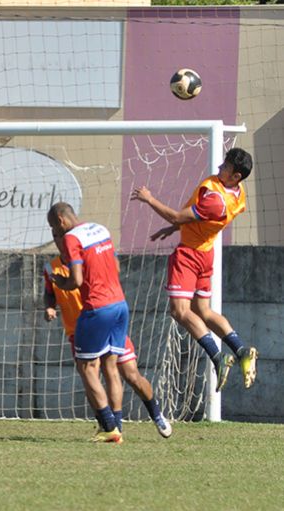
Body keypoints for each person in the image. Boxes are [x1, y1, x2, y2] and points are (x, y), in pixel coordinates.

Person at [130, 148, 257, 391]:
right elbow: (195, 222)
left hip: (189, 256)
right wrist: (176, 229)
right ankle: (241, 352)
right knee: (203, 311)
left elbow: (178, 216)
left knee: (179, 311)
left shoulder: (215, 201)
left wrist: (149, 199)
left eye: (226, 167)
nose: (220, 167)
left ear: (236, 176)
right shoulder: (237, 194)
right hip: (205, 252)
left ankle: (218, 358)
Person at [43, 232, 172, 438]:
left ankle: (156, 413)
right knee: (91, 376)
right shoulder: (51, 267)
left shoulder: (89, 260)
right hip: (78, 331)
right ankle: (111, 425)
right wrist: (49, 307)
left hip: (104, 319)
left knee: (130, 374)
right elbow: (49, 293)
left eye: (62, 236)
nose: (60, 241)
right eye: (56, 236)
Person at [46, 202, 127, 444]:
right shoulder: (100, 229)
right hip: (120, 304)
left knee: (87, 368)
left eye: (53, 227)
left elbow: (77, 280)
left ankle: (109, 426)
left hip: (97, 308)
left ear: (61, 220)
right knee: (111, 368)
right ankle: (117, 426)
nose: (56, 233)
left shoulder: (71, 238)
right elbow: (116, 266)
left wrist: (60, 283)